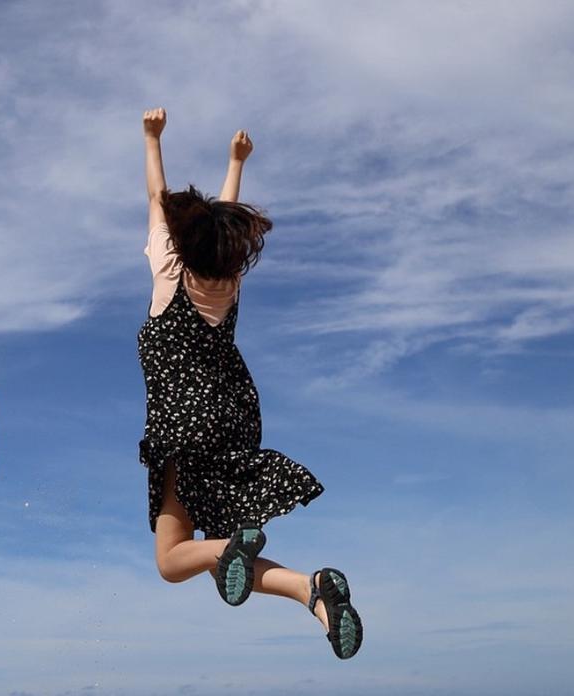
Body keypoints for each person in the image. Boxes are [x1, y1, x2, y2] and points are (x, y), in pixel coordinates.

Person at [137, 107, 361, 659]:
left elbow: (156, 196)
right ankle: (313, 594)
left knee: (171, 561)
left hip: (183, 424)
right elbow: (223, 217)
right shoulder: (228, 283)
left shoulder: (171, 273)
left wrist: (151, 139)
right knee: (217, 558)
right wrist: (236, 162)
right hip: (233, 419)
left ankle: (234, 549)